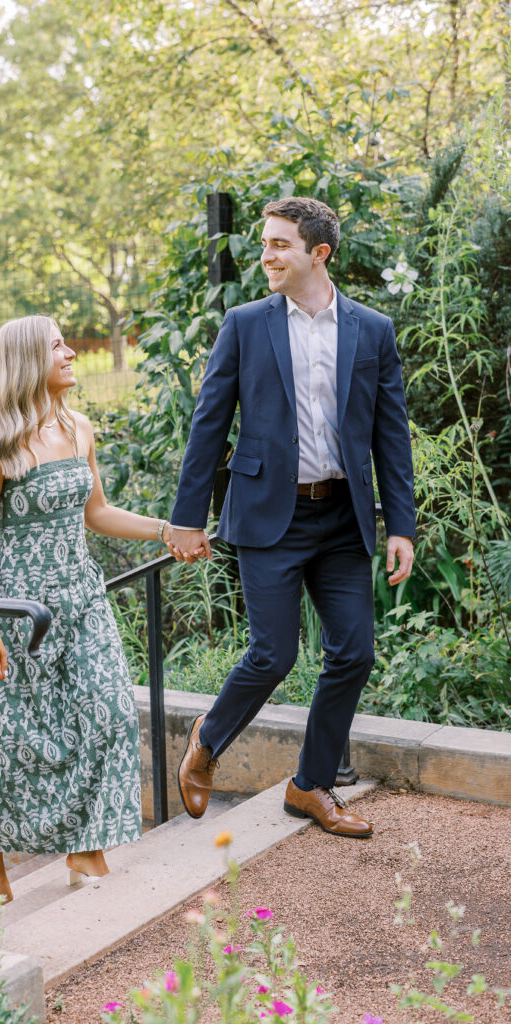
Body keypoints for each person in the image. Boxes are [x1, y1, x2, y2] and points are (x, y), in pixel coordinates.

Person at [170, 196, 415, 838]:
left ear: (318, 253)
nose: (266, 256)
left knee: (354, 653)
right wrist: (187, 518)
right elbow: (208, 425)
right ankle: (207, 740)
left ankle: (310, 786)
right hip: (268, 518)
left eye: (280, 244)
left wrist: (402, 526)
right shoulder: (246, 324)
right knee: (273, 654)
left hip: (341, 520)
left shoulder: (372, 330)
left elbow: (392, 435)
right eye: (265, 243)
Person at [0, 315, 171, 900]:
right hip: (22, 608)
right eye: (58, 346)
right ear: (30, 359)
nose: (72, 352)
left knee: (109, 714)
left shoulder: (78, 427)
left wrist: (165, 531)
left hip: (82, 597)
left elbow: (96, 513)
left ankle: (86, 848)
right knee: (16, 735)